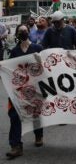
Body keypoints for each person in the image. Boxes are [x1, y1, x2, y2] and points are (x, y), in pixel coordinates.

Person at [6, 24, 44, 160]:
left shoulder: (37, 48)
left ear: (29, 32)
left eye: (25, 31)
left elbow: (44, 67)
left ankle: (38, 134)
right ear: (17, 34)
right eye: (20, 31)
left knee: (36, 112)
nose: (23, 33)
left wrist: (39, 59)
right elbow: (9, 70)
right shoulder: (14, 52)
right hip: (19, 89)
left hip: (35, 87)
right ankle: (15, 146)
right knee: (14, 115)